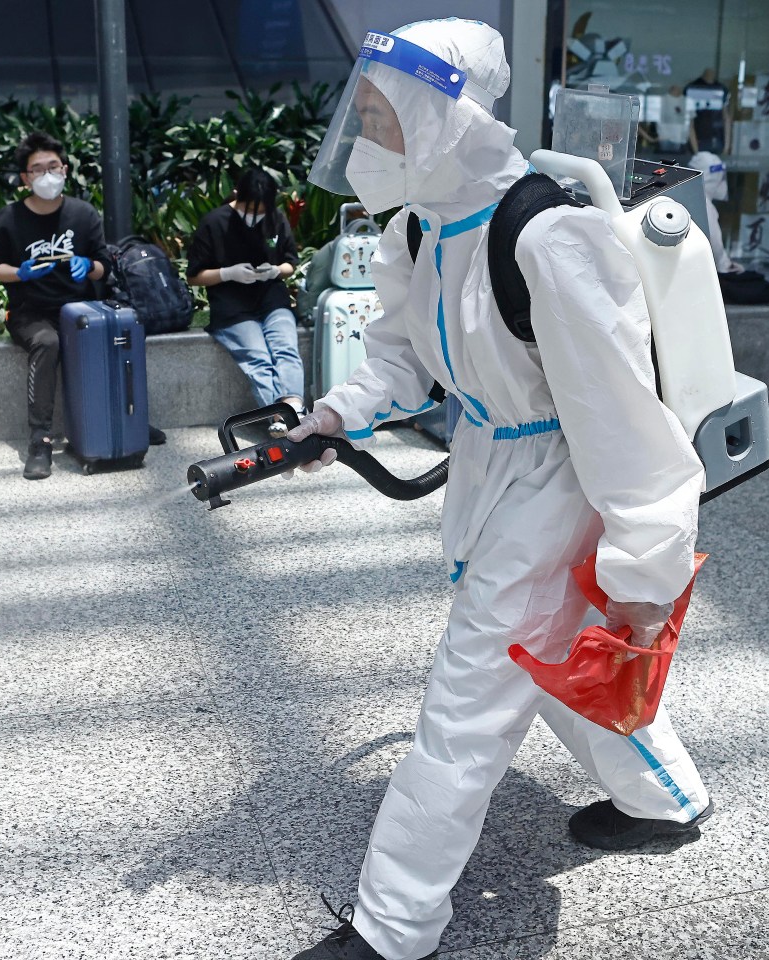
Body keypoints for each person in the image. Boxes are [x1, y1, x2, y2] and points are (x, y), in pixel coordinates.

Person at [288, 19, 712, 960]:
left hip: (561, 479)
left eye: (382, 117)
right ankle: (668, 798)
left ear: (445, 118)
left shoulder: (548, 238)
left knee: (466, 707)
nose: (365, 139)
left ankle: (394, 927)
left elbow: (625, 423)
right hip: (490, 470)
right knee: (543, 659)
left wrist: (645, 580)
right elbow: (398, 358)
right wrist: (337, 416)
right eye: (360, 114)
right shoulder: (418, 229)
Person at [0, 132, 111, 481]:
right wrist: (21, 273)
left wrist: (88, 266)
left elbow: (104, 264)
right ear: (25, 178)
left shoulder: (83, 214)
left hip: (78, 308)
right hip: (29, 311)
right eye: (36, 170)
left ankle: (119, 418)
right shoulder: (8, 219)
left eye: (52, 167)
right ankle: (40, 441)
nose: (46, 175)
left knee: (104, 336)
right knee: (48, 341)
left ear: (65, 169)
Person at [186, 168, 305, 415]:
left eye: (262, 210)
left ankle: (293, 411)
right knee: (258, 356)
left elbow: (290, 264)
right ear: (237, 196)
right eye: (250, 209)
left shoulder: (276, 218)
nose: (255, 215)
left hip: (272, 299)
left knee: (285, 348)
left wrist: (274, 270)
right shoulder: (214, 223)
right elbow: (194, 276)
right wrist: (227, 273)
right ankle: (277, 415)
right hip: (232, 305)